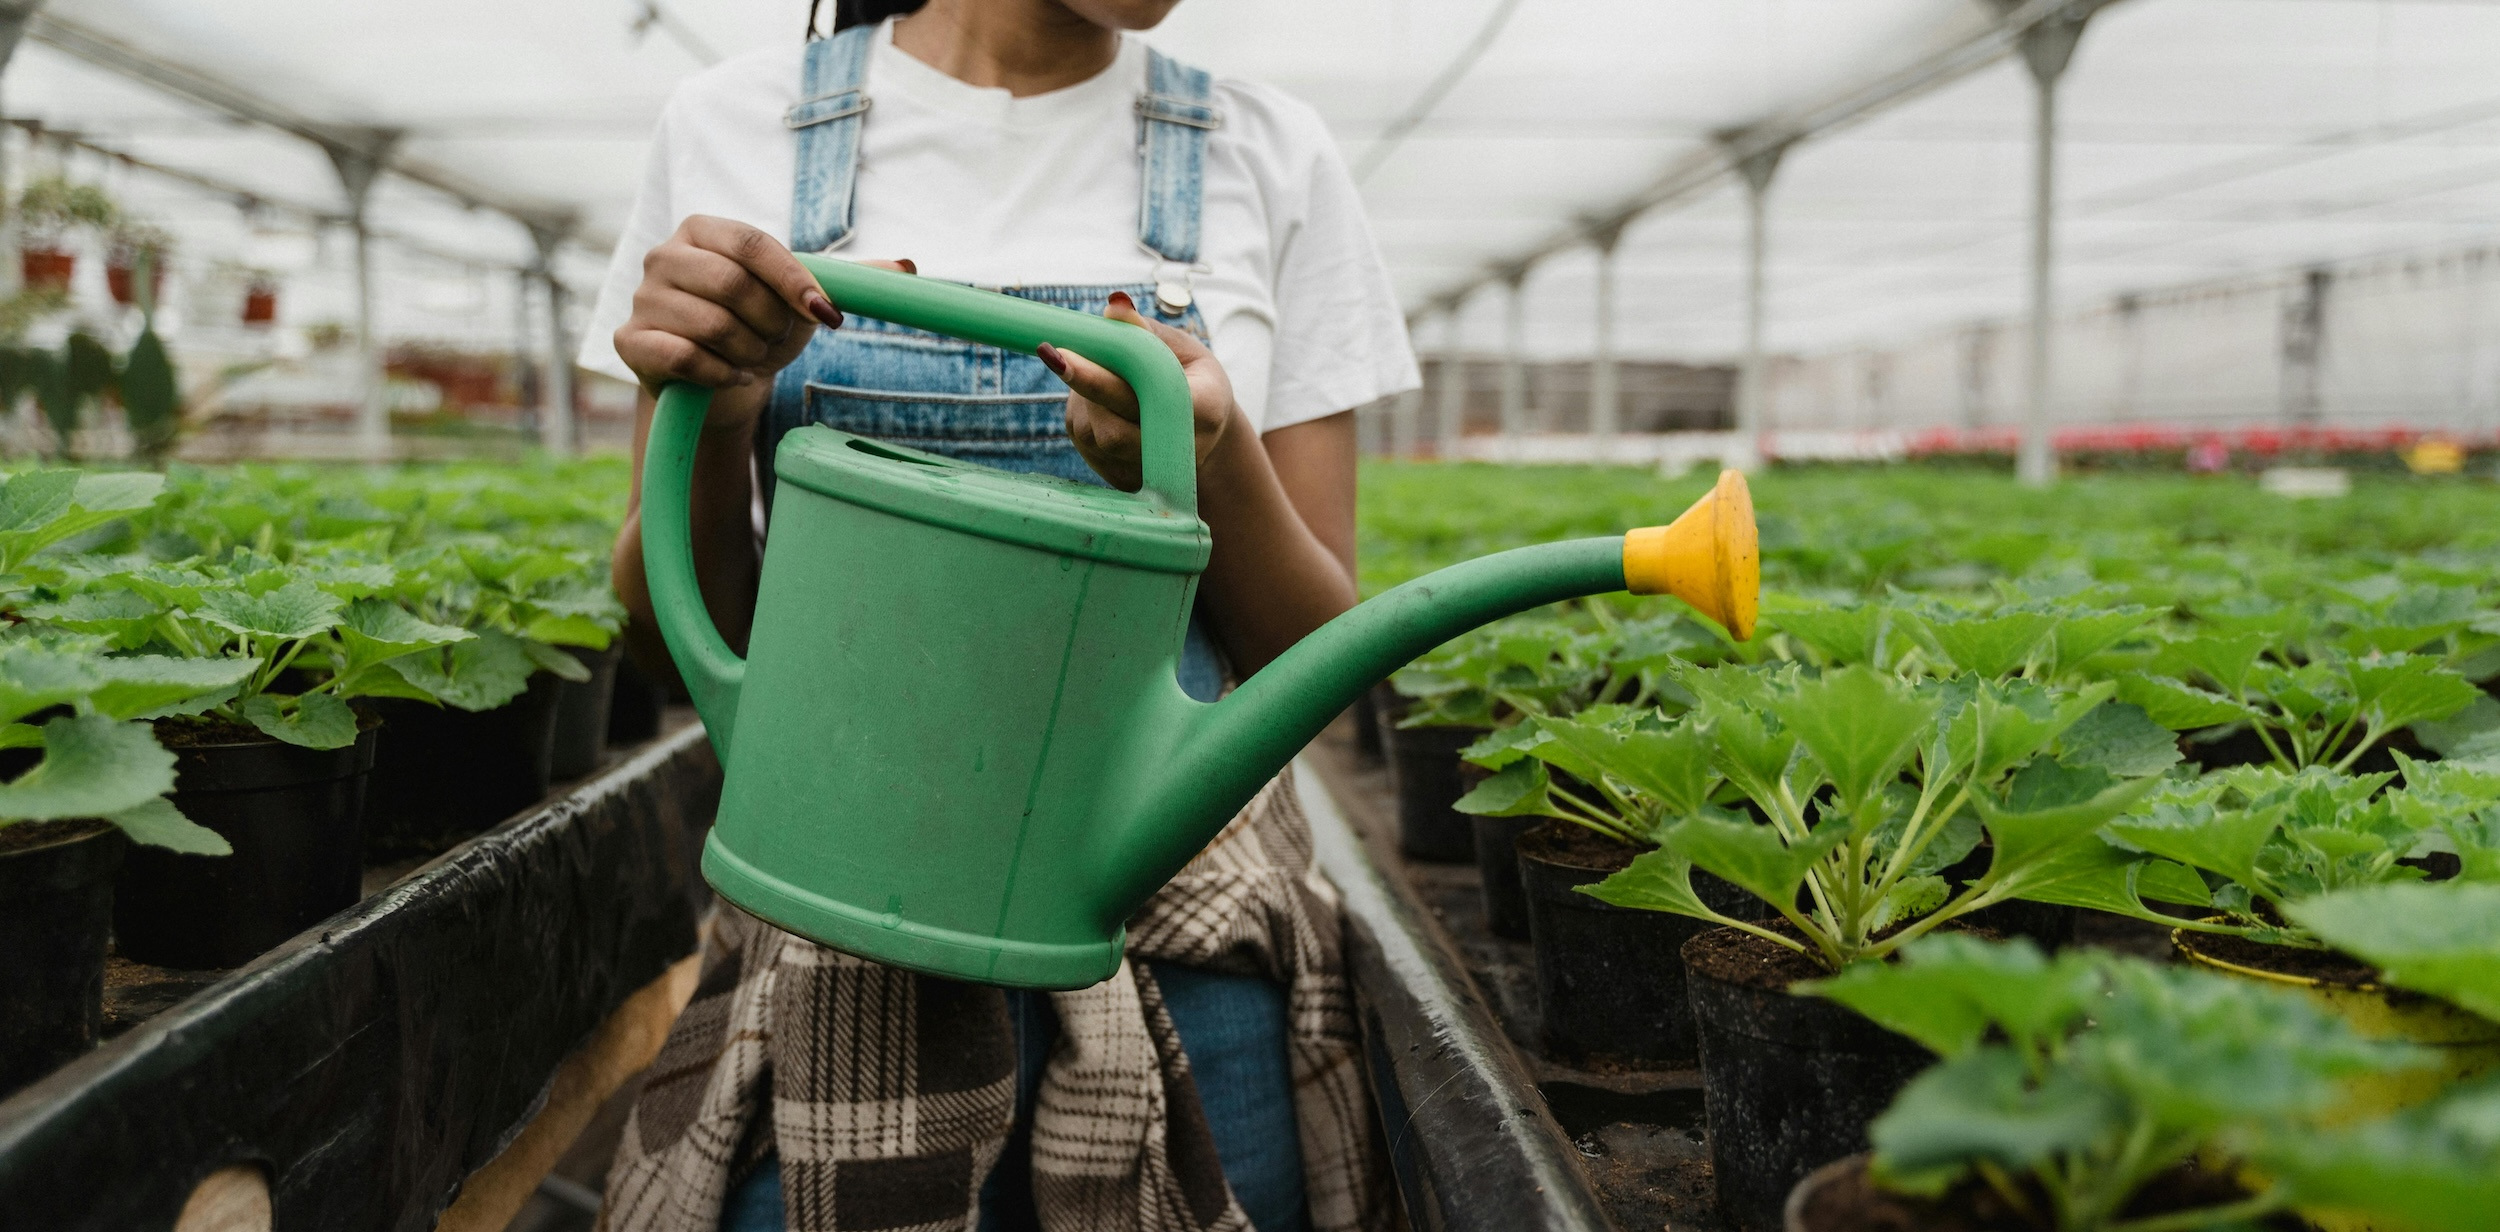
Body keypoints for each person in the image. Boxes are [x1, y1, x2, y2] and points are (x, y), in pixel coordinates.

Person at [579, 0, 1416, 1229]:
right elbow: (682, 630)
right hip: (845, 926)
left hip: (1186, 919)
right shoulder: (734, 125)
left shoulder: (1269, 150)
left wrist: (1208, 457)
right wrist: (720, 401)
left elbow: (1310, 658)